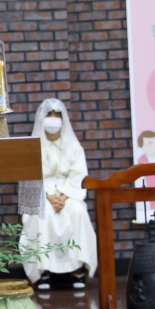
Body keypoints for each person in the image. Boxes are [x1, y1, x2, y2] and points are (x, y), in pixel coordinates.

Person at [20, 98, 98, 290]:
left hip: (69, 194)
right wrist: (48, 196)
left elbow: (79, 174)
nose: (53, 119)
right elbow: (30, 176)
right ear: (41, 118)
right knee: (41, 215)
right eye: (49, 115)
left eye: (57, 115)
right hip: (41, 193)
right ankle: (43, 271)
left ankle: (78, 268)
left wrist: (63, 196)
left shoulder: (73, 146)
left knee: (77, 212)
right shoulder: (33, 146)